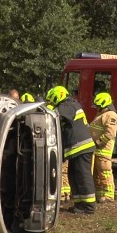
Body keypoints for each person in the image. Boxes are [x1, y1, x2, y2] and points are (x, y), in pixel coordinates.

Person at [45, 85, 97, 214]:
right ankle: (80, 204)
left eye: (52, 100)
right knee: (74, 175)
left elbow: (55, 115)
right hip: (77, 148)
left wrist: (48, 110)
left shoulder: (67, 105)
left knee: (83, 176)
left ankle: (89, 206)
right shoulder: (70, 104)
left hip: (81, 146)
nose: (51, 103)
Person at [89, 92, 117, 202]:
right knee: (96, 174)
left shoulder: (111, 115)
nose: (96, 108)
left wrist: (98, 142)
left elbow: (110, 133)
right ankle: (99, 194)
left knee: (105, 172)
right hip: (96, 150)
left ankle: (108, 195)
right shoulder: (101, 114)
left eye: (98, 106)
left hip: (103, 150)